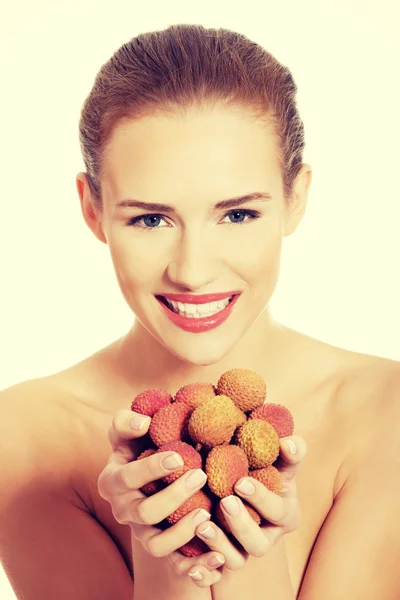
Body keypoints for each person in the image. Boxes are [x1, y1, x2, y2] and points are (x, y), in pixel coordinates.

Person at [1, 23, 399, 600]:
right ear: (93, 210)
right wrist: (162, 550)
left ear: (296, 198)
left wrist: (249, 550)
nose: (192, 270)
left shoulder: (384, 412)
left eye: (237, 215)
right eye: (149, 219)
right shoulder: (24, 438)